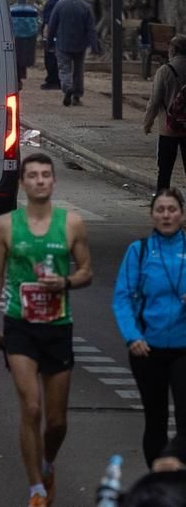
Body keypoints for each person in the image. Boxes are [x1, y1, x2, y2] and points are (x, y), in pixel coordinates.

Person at [0, 153, 93, 507]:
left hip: (57, 326)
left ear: (54, 182)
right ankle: (36, 490)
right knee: (31, 408)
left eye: (46, 175)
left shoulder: (72, 224)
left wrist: (65, 282)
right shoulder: (5, 225)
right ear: (23, 183)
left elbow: (86, 271)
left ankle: (48, 464)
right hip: (20, 326)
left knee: (56, 421)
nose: (40, 180)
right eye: (33, 175)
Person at [114, 187, 186, 466]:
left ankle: (173, 474)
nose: (166, 215)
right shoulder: (139, 251)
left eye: (172, 210)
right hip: (147, 349)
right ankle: (159, 485)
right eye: (160, 210)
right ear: (152, 215)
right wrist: (132, 337)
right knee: (156, 422)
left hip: (183, 349)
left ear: (181, 214)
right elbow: (122, 298)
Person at [46, 0, 100, 106]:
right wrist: (94, 46)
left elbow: (52, 25)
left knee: (64, 68)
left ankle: (67, 86)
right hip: (80, 44)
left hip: (62, 42)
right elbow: (90, 28)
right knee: (78, 70)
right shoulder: (86, 7)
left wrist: (49, 43)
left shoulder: (60, 5)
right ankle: (77, 95)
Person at [145, 36, 186, 190]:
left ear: (174, 50)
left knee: (165, 169)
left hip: (168, 128)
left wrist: (148, 123)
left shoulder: (165, 70)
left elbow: (155, 100)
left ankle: (162, 200)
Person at [38, 0, 65, 90]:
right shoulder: (54, 1)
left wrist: (46, 32)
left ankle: (53, 80)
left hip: (52, 34)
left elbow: (50, 19)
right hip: (54, 34)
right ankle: (53, 79)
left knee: (51, 57)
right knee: (50, 57)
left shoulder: (55, 2)